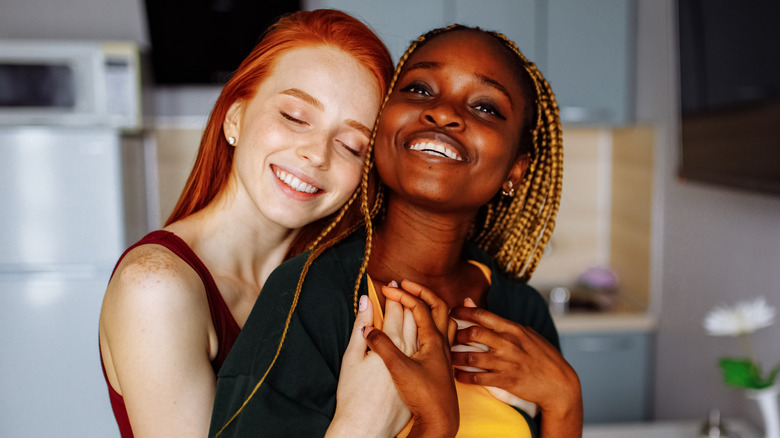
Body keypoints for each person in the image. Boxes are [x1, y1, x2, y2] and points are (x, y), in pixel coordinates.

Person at [210, 24, 583, 438]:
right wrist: (435, 423)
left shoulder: (520, 311)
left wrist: (565, 402)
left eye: (486, 107)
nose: (442, 112)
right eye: (420, 89)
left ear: (515, 170)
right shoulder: (311, 296)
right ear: (381, 127)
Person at [97, 9, 396, 437]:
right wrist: (365, 425)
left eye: (352, 145)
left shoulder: (330, 286)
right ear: (235, 118)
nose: (317, 154)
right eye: (294, 117)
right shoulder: (156, 286)